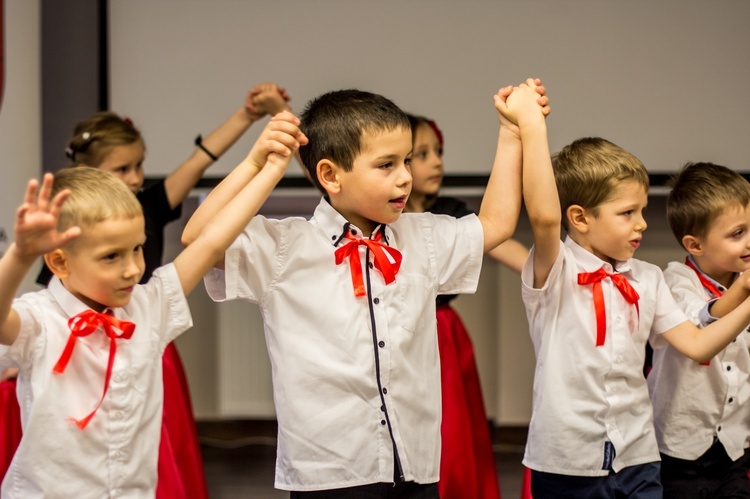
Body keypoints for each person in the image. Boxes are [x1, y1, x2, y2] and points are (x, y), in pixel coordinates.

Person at [181, 84, 546, 497]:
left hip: (414, 466)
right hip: (330, 472)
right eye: (386, 165)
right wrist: (256, 165)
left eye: (406, 161)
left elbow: (496, 224)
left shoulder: (421, 237)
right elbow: (199, 238)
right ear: (330, 176)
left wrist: (510, 132)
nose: (406, 176)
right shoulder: (285, 248)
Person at [0, 112, 307, 497]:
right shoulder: (41, 320)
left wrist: (264, 166)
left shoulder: (151, 305)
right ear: (60, 262)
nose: (132, 269)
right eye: (111, 257)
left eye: (137, 250)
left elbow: (211, 241)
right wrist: (20, 254)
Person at [508, 80, 750, 498]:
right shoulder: (556, 269)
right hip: (569, 461)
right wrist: (532, 126)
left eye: (641, 210)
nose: (642, 223)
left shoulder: (648, 277)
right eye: (627, 213)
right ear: (580, 218)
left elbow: (697, 345)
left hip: (638, 456)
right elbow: (546, 219)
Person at [404, 112, 529, 499]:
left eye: (438, 151)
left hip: (442, 332)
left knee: (452, 431)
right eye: (422, 154)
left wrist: (558, 276)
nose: (437, 161)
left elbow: (508, 249)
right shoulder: (382, 216)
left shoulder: (451, 211)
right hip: (402, 331)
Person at [647, 162, 750, 498]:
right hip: (680, 450)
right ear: (695, 245)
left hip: (735, 445)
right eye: (738, 234)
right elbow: (701, 320)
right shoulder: (675, 281)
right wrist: (745, 290)